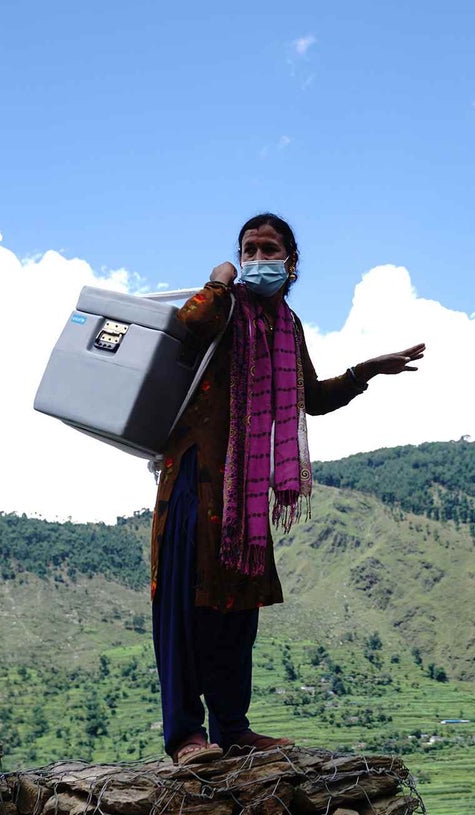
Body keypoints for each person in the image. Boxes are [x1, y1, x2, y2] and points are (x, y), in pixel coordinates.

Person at [150, 213, 425, 765]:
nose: (256, 257)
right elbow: (188, 326)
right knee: (184, 609)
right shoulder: (223, 305)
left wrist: (365, 370)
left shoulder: (286, 327)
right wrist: (219, 279)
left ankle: (232, 727)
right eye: (248, 248)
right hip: (198, 479)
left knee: (236, 613)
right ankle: (185, 736)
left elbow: (310, 398)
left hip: (247, 494)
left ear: (290, 263)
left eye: (267, 248)